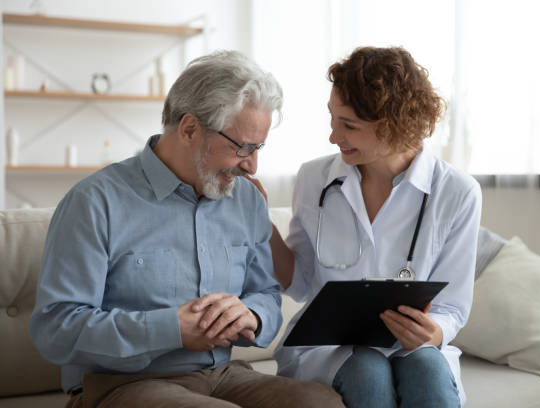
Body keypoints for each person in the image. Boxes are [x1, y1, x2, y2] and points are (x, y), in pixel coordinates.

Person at [30, 50, 344, 408]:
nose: (253, 166)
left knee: (321, 403)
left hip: (222, 375)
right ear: (190, 128)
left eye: (258, 148)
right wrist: (171, 329)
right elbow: (55, 329)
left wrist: (251, 315)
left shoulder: (246, 201)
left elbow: (267, 294)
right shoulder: (94, 202)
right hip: (121, 384)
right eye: (242, 147)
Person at [252, 46, 482, 407]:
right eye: (332, 118)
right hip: (328, 348)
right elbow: (299, 283)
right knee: (368, 370)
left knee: (426, 368)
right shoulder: (316, 179)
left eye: (349, 126)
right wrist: (260, 223)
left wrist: (433, 332)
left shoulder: (456, 192)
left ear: (394, 124)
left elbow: (451, 308)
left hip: (411, 348)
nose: (333, 136)